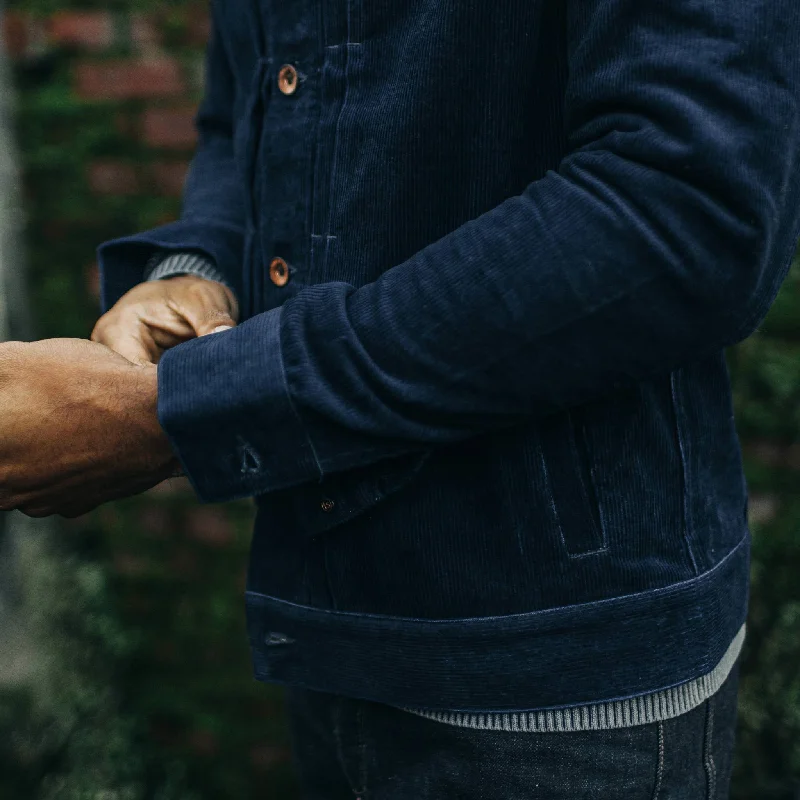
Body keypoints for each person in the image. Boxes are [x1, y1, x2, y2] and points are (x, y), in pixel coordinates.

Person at [3, 1, 800, 796]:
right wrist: (195, 267)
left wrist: (181, 415)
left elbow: (688, 212)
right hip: (330, 628)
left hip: (562, 685)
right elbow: (253, 102)